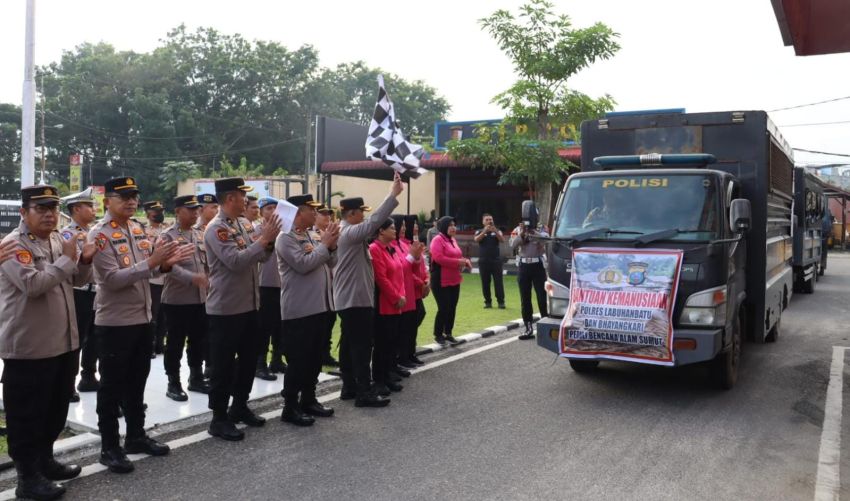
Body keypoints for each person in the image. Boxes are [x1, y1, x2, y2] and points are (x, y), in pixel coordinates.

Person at [89, 177, 191, 473]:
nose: (131, 202)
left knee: (137, 383)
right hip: (115, 322)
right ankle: (110, 447)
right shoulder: (99, 235)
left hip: (142, 319)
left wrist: (165, 264)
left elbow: (151, 270)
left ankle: (135, 436)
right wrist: (151, 262)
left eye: (134, 196)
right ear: (107, 201)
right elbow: (111, 279)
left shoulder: (137, 229)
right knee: (111, 387)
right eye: (124, 197)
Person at [0, 185, 95, 500]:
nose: (49, 214)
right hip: (30, 347)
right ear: (24, 212)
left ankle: (45, 461)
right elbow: (33, 285)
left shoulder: (57, 240)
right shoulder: (13, 245)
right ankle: (27, 478)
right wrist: (68, 259)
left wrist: (84, 261)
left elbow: (77, 280)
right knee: (27, 415)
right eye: (41, 208)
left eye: (53, 208)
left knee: (54, 410)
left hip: (62, 342)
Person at [204, 177, 281, 441]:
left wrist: (268, 243)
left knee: (248, 360)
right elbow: (235, 261)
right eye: (242, 196)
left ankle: (239, 406)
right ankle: (218, 418)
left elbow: (261, 257)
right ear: (230, 199)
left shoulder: (243, 224)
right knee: (223, 365)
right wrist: (262, 241)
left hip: (249, 304)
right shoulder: (216, 229)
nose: (246, 201)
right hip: (226, 308)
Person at [334, 172, 403, 408]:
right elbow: (374, 222)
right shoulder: (348, 232)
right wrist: (392, 195)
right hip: (355, 300)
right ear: (352, 214)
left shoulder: (348, 233)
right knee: (361, 347)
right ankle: (364, 392)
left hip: (351, 299)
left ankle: (349, 387)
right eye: (361, 212)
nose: (363, 216)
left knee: (349, 345)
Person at [276, 194, 340, 426]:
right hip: (300, 309)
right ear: (297, 212)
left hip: (319, 306)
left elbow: (331, 262)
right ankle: (290, 406)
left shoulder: (311, 235)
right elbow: (303, 265)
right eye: (311, 210)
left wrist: (331, 245)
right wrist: (325, 245)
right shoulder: (285, 238)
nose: (315, 213)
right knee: (299, 360)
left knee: (314, 358)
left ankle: (309, 399)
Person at [159, 195, 211, 401]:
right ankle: (173, 382)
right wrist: (193, 278)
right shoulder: (167, 236)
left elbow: (206, 264)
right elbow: (168, 267)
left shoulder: (199, 234)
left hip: (200, 298)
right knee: (175, 343)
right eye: (190, 209)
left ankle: (196, 377)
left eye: (196, 209)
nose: (194, 213)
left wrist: (209, 278)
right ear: (177, 211)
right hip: (177, 299)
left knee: (199, 340)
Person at [61, 188, 100, 401]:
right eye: (89, 206)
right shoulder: (69, 234)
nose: (94, 209)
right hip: (78, 292)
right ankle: (68, 383)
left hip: (96, 291)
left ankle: (88, 376)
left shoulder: (92, 232)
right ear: (76, 209)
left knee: (94, 337)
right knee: (75, 340)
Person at [370, 218, 407, 396]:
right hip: (384, 303)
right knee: (382, 343)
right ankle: (378, 379)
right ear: (381, 231)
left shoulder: (391, 248)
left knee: (391, 342)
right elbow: (381, 278)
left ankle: (387, 376)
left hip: (397, 302)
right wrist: (395, 297)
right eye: (391, 228)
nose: (395, 231)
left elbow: (400, 273)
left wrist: (402, 295)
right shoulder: (375, 249)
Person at [255, 197, 285, 380]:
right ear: (261, 212)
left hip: (282, 284)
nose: (273, 211)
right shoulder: (257, 230)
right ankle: (260, 364)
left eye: (275, 208)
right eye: (268, 208)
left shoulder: (284, 230)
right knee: (264, 326)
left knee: (280, 325)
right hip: (264, 283)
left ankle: (277, 359)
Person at [429, 216, 470, 346]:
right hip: (440, 280)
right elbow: (439, 258)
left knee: (452, 307)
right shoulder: (437, 240)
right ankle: (438, 334)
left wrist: (465, 261)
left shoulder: (452, 239)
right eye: (450, 225)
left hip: (454, 279)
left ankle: (448, 333)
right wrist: (458, 262)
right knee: (443, 308)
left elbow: (458, 255)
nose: (453, 227)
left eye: (454, 225)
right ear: (443, 227)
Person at [391, 215, 424, 371]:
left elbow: (413, 267)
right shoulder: (393, 246)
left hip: (410, 291)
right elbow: (403, 268)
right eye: (401, 225)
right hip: (402, 291)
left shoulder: (404, 244)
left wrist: (416, 258)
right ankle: (402, 357)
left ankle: (409, 354)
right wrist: (413, 257)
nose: (404, 228)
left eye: (405, 225)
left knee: (410, 327)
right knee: (403, 329)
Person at [511, 220, 549, 340]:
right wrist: (522, 234)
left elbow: (546, 241)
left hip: (538, 265)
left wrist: (534, 232)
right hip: (524, 266)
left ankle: (545, 327)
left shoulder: (542, 229)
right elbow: (512, 245)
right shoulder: (518, 229)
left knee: (542, 296)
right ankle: (528, 328)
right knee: (525, 298)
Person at [312, 205, 339, 367]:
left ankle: (325, 353)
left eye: (329, 214)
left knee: (330, 319)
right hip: (316, 286)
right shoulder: (311, 234)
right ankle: (318, 354)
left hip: (330, 284)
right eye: (323, 214)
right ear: (315, 216)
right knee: (318, 323)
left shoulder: (331, 234)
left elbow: (333, 260)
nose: (327, 217)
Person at [143, 200, 168, 356]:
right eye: (156, 211)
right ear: (148, 214)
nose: (160, 214)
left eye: (161, 211)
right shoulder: (143, 231)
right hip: (153, 278)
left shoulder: (167, 230)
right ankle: (150, 345)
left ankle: (160, 344)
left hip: (168, 277)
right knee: (152, 313)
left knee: (164, 315)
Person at [402, 214, 428, 366]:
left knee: (415, 321)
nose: (416, 227)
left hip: (418, 289)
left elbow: (423, 266)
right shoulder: (405, 245)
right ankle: (404, 353)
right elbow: (406, 270)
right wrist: (420, 283)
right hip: (411, 289)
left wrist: (426, 280)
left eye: (416, 224)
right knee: (408, 324)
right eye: (413, 224)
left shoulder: (415, 243)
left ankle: (410, 352)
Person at [474, 213, 506, 309]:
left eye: (490, 219)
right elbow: (476, 239)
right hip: (483, 261)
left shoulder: (498, 231)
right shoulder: (479, 231)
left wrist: (495, 231)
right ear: (483, 222)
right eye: (487, 220)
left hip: (496, 261)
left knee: (498, 282)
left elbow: (502, 240)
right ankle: (488, 302)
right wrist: (484, 231)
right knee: (485, 282)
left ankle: (501, 302)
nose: (489, 221)